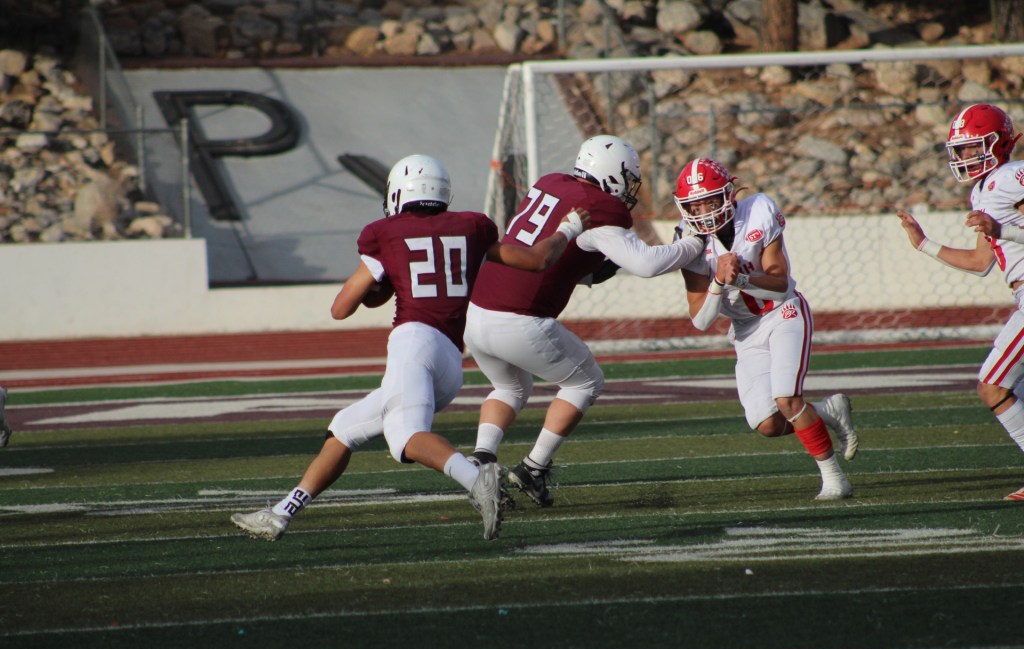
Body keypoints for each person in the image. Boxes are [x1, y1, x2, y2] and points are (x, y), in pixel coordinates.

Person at [231, 154, 588, 541]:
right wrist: (569, 228)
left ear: (400, 192)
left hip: (414, 344)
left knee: (404, 438)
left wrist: (380, 280)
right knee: (344, 429)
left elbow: (341, 308)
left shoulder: (384, 231)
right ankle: (282, 513)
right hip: (451, 359)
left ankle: (477, 478)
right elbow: (537, 260)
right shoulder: (472, 226)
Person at [464, 134, 707, 507]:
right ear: (612, 175)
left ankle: (481, 458)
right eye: (626, 179)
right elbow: (647, 264)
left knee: (510, 388)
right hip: (519, 320)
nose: (628, 190)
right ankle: (534, 467)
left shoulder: (550, 184)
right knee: (586, 382)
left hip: (477, 314)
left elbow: (571, 262)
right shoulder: (598, 209)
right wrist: (693, 242)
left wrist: (597, 270)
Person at [673, 157, 859, 501]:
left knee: (787, 400)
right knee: (768, 424)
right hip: (745, 329)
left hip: (783, 312)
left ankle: (834, 479)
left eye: (710, 200)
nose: (703, 212)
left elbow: (780, 284)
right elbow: (700, 320)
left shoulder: (758, 209)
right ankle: (828, 412)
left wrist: (742, 277)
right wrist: (717, 281)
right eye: (694, 204)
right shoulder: (689, 242)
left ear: (729, 195)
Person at [896, 103, 1024, 501]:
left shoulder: (1009, 178)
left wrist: (1001, 227)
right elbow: (981, 261)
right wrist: (924, 245)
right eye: (962, 149)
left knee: (993, 386)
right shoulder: (983, 189)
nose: (966, 157)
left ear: (999, 143)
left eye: (973, 148)